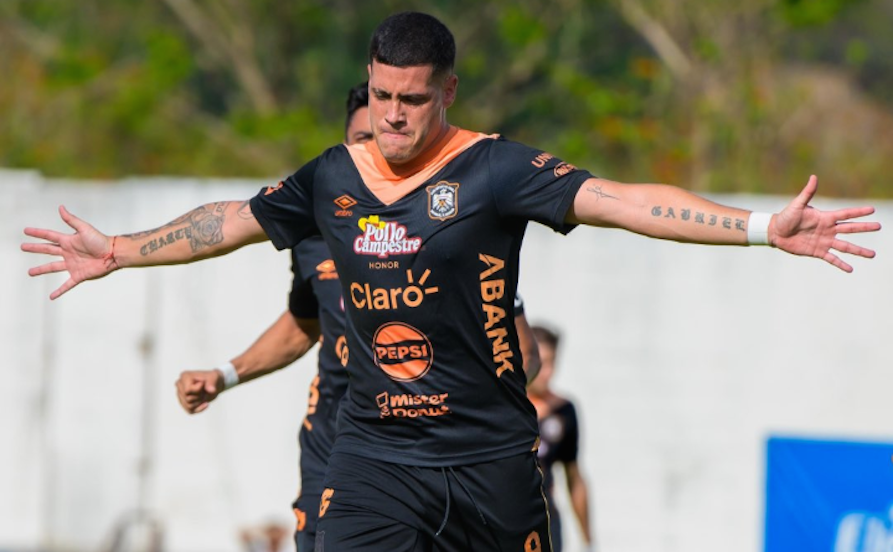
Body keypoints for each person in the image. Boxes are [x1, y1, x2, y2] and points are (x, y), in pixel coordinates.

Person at [22, 11, 880, 552]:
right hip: (374, 454)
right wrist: (120, 250)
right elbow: (231, 221)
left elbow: (623, 201)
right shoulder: (332, 176)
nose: (393, 116)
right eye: (382, 96)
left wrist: (758, 227)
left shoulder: (495, 170)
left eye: (413, 99)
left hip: (489, 458)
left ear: (448, 94)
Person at [171, 81, 541, 551]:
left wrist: (474, 415)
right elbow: (303, 325)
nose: (379, 146)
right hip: (338, 449)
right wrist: (226, 374)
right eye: (363, 139)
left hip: (434, 455)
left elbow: (522, 353)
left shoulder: (455, 239)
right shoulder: (316, 231)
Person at [528, 325, 593, 552]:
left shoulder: (563, 411)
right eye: (541, 362)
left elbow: (573, 477)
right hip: (505, 522)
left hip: (545, 522)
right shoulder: (505, 409)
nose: (546, 372)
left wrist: (588, 542)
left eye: (552, 362)